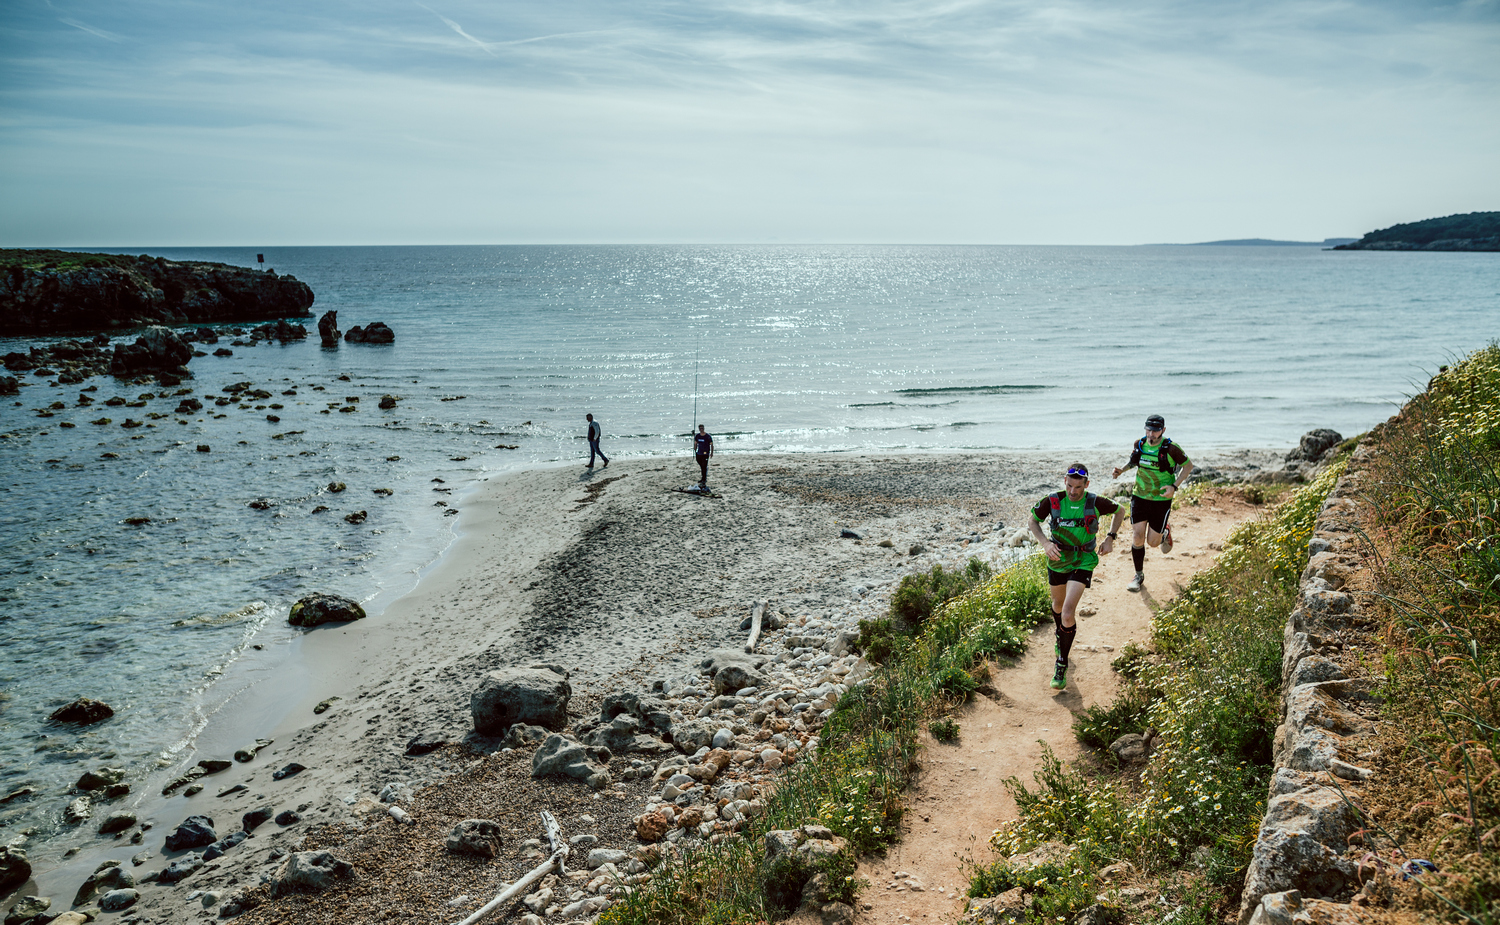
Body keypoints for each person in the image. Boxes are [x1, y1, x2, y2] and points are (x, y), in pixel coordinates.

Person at [1028, 463, 1125, 690]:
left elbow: (1120, 510)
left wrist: (1110, 537)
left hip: (1084, 560)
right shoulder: (1053, 501)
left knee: (1069, 612)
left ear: (1087, 484)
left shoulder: (1094, 501)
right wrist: (1045, 543)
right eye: (1070, 486)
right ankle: (1059, 635)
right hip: (1058, 560)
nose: (1073, 491)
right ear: (1065, 481)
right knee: (1057, 606)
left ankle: (1061, 663)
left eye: (1078, 487)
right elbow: (1032, 521)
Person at [1112, 414, 1193, 592]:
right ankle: (1138, 576)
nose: (1151, 434)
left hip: (1161, 500)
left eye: (1156, 430)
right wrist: (1121, 470)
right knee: (1137, 536)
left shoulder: (1171, 448)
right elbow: (1133, 462)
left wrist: (1174, 486)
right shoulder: (1139, 444)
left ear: (1163, 430)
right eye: (1148, 429)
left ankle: (1165, 532)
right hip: (1139, 497)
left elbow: (1188, 466)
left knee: (1153, 543)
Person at [693, 424, 714, 488]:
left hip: (705, 453)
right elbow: (696, 443)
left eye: (702, 428)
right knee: (701, 465)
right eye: (700, 428)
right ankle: (703, 478)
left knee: (704, 466)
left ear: (704, 428)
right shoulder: (697, 436)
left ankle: (704, 479)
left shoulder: (707, 436)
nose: (701, 429)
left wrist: (711, 453)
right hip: (699, 453)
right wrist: (695, 448)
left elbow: (711, 445)